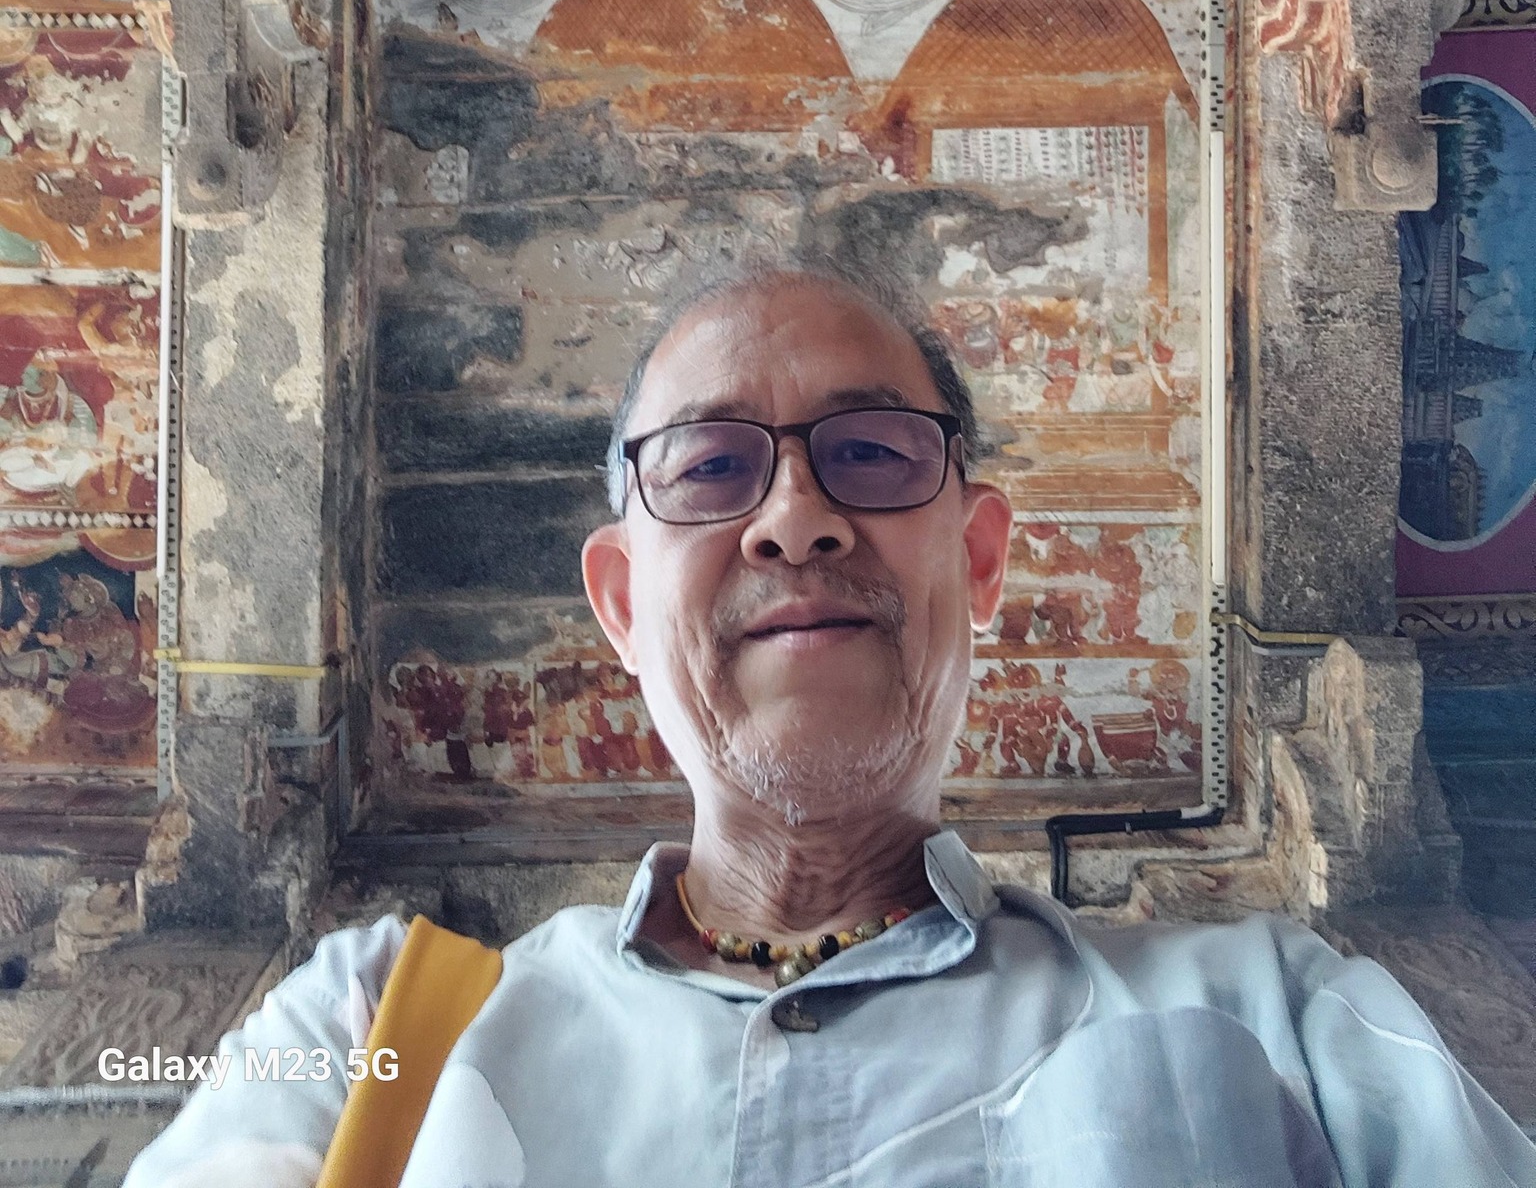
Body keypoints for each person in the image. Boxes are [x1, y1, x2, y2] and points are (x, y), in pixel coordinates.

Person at [125, 260, 1536, 1187]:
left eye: (867, 453)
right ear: (620, 602)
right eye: (710, 468)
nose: (795, 518)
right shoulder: (370, 1035)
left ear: (978, 561)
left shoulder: (1285, 1024)